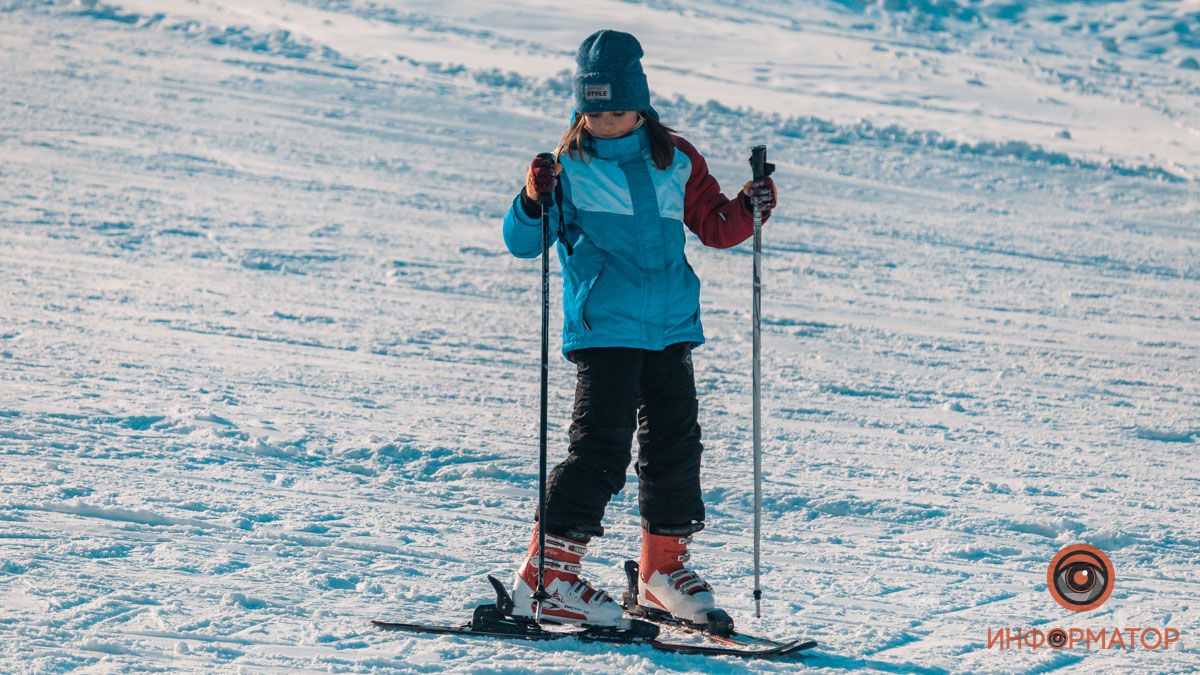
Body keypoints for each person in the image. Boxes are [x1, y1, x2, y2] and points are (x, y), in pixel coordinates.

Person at [501, 29, 778, 628]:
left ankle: (661, 573)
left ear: (641, 104)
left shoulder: (675, 158)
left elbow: (715, 225)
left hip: (671, 327)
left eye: (616, 110)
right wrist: (531, 198)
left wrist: (748, 208)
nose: (603, 121)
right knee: (600, 450)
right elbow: (524, 242)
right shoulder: (564, 167)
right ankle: (547, 577)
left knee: (676, 449)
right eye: (592, 111)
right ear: (580, 108)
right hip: (605, 333)